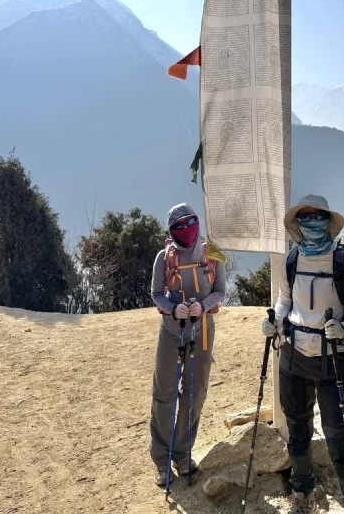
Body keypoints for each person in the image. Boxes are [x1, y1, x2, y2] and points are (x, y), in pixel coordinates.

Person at [263, 195, 344, 514]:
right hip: (293, 357)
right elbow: (285, 301)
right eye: (305, 216)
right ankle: (303, 495)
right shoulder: (291, 260)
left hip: (333, 360)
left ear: (328, 220)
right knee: (298, 434)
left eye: (317, 215)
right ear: (297, 224)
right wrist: (275, 321)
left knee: (339, 438)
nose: (311, 221)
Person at [149, 203, 225, 486]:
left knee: (195, 393)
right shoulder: (163, 258)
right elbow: (156, 293)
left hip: (203, 331)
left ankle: (182, 454)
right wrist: (172, 309)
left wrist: (202, 307)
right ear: (171, 230)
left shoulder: (212, 252)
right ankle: (161, 459)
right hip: (172, 331)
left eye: (190, 222)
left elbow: (220, 291)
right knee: (164, 393)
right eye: (178, 225)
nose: (185, 228)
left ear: (197, 222)